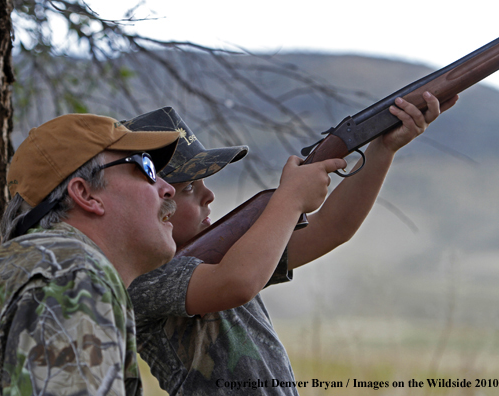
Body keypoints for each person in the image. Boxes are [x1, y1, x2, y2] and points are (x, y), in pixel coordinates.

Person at [125, 95, 457, 395]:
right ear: (150, 197)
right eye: (188, 188)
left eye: (204, 183)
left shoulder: (226, 254)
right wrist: (289, 199)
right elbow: (237, 282)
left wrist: (383, 148)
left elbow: (331, 229)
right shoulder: (141, 277)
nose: (209, 195)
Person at [0, 113, 182, 396]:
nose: (168, 189)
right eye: (146, 167)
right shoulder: (70, 275)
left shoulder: (40, 265)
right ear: (85, 194)